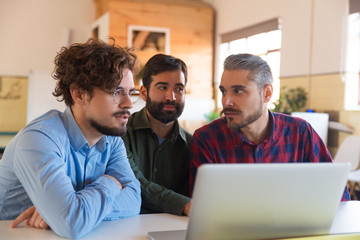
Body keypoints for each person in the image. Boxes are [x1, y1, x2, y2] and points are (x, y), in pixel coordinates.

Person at [0, 39, 141, 238]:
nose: (129, 103)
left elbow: (135, 200)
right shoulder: (38, 139)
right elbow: (72, 222)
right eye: (117, 92)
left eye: (130, 92)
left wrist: (73, 208)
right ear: (79, 94)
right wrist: (111, 182)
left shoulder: (111, 140)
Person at [189, 53, 350, 201]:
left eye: (238, 91)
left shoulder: (300, 132)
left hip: (294, 230)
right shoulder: (207, 139)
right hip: (231, 231)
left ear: (267, 94)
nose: (226, 101)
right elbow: (202, 206)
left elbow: (336, 193)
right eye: (223, 91)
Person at [122, 54, 192, 216]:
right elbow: (133, 183)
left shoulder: (191, 143)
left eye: (179, 89)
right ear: (144, 93)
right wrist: (185, 205)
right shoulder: (122, 133)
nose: (171, 97)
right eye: (162, 87)